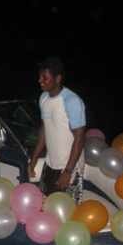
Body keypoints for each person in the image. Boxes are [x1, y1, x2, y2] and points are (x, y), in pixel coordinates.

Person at [27, 57, 86, 204]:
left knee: (67, 210)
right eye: (40, 76)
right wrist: (34, 158)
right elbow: (44, 129)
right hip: (50, 163)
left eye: (45, 77)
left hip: (70, 166)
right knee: (45, 206)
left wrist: (68, 172)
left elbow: (80, 139)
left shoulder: (71, 101)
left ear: (58, 78)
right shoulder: (43, 98)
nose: (40, 80)